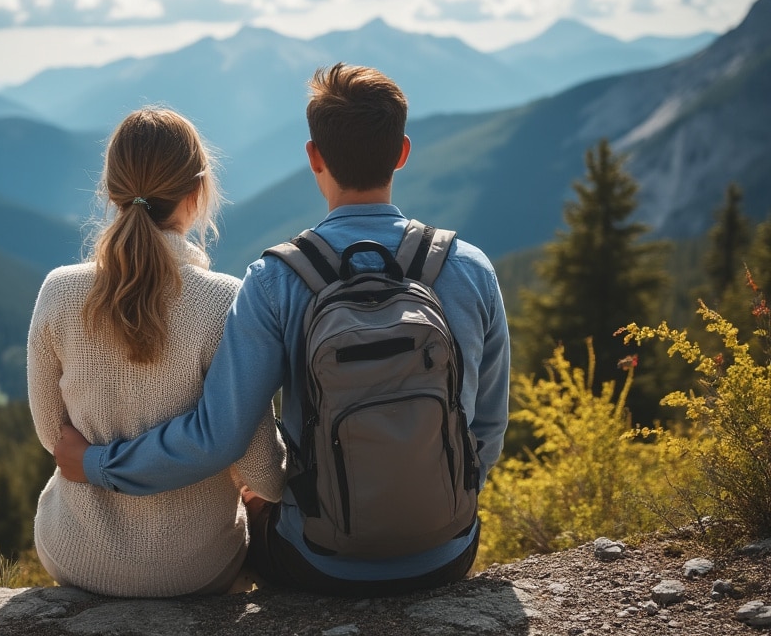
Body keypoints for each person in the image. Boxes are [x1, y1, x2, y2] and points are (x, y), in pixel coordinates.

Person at [55, 64, 510, 596]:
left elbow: (217, 437)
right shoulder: (469, 268)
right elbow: (486, 429)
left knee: (256, 512)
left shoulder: (275, 281)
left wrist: (96, 464)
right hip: (447, 550)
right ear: (403, 153)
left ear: (314, 157)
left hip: (320, 562)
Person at [27, 107, 285, 598]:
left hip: (74, 554)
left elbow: (53, 439)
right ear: (198, 192)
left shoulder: (59, 292)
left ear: (110, 191)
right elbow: (266, 478)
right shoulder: (222, 302)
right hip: (197, 567)